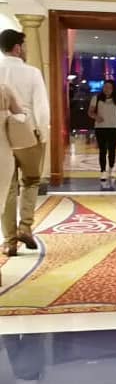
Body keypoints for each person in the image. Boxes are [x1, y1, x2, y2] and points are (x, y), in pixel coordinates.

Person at [0, 28, 49, 258]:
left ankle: (9, 242)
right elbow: (41, 106)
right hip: (28, 132)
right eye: (25, 45)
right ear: (18, 48)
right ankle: (25, 227)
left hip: (2, 135)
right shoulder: (31, 72)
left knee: (7, 187)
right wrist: (43, 133)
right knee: (31, 180)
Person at [0, 83, 26, 257]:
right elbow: (21, 116)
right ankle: (10, 240)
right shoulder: (3, 89)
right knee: (3, 200)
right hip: (2, 152)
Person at [88, 79, 116, 186]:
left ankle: (111, 169)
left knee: (112, 149)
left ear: (113, 89)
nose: (107, 89)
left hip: (114, 127)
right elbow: (90, 112)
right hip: (100, 127)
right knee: (102, 150)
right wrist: (96, 117)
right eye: (105, 87)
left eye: (109, 87)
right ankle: (103, 171)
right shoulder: (96, 98)